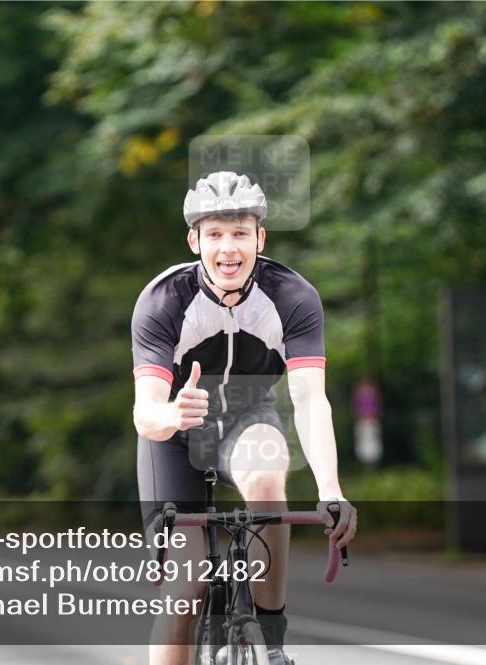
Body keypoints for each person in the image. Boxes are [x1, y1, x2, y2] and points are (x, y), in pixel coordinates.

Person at [131, 171, 357, 665]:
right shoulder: (163, 300)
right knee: (186, 586)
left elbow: (311, 399)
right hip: (174, 433)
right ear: (195, 240)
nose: (228, 248)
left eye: (240, 233)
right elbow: (145, 413)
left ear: (260, 238)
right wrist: (171, 412)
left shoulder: (292, 297)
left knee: (266, 476)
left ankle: (270, 637)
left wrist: (330, 489)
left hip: (248, 416)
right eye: (214, 234)